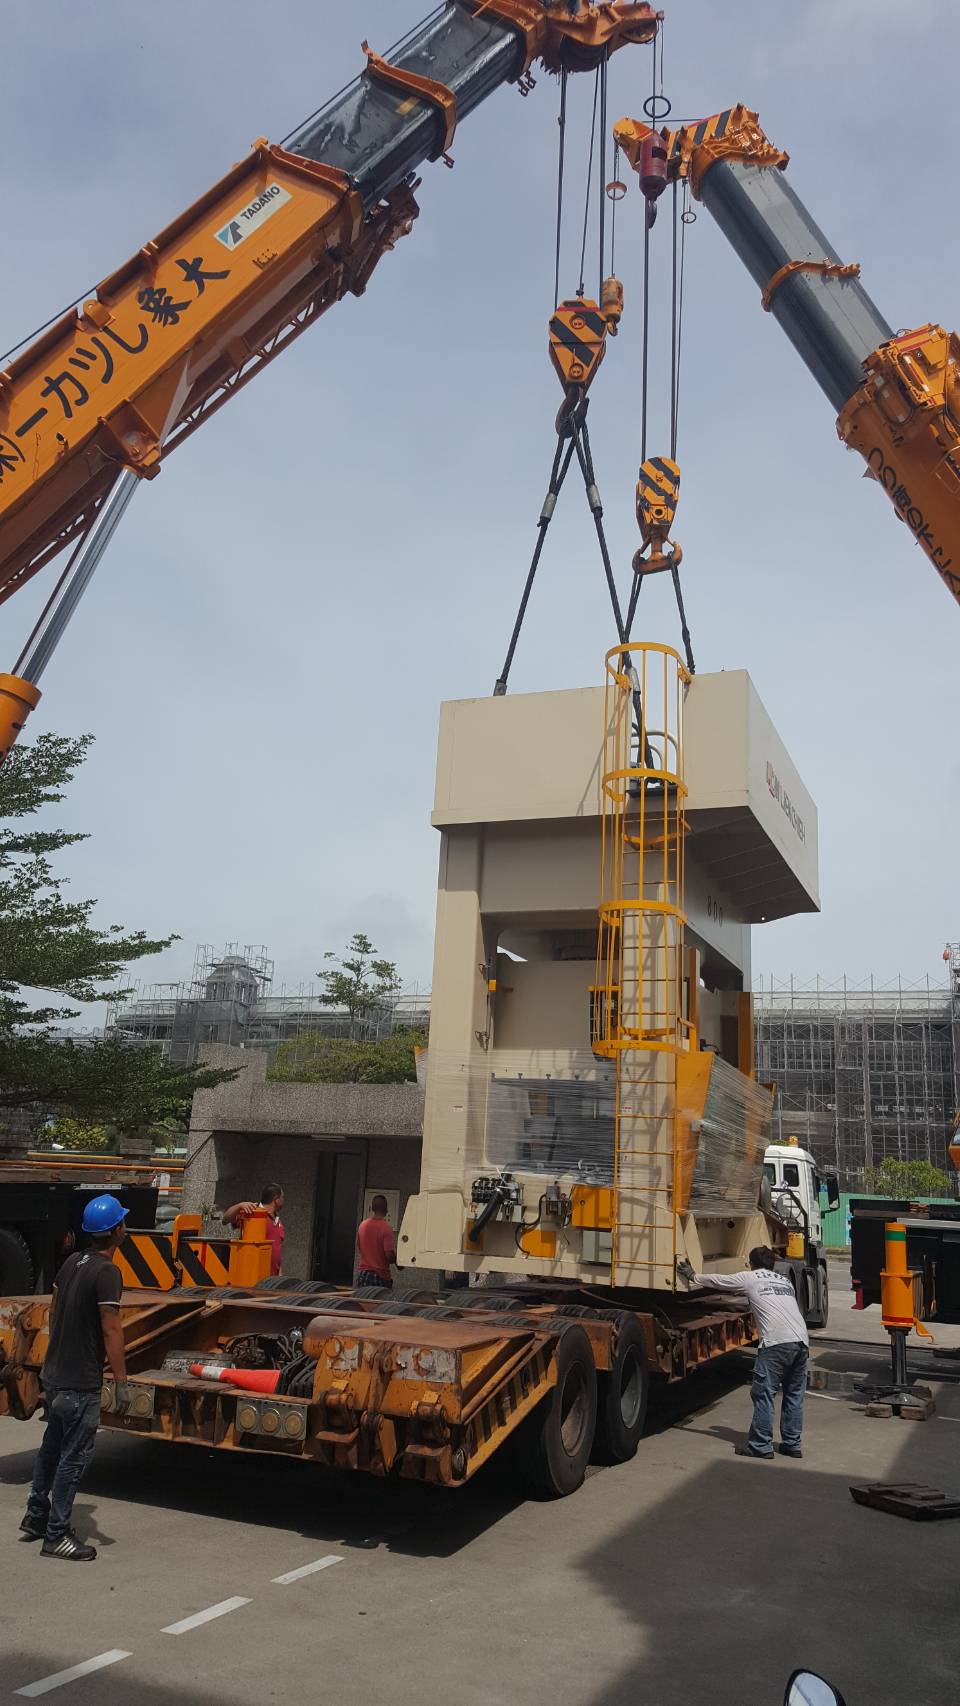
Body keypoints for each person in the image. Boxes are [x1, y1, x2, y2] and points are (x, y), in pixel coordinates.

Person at [20, 1194, 128, 1561]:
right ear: (115, 1231)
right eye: (123, 1223)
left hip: (56, 1373)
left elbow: (53, 1308)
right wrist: (122, 1379)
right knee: (73, 1457)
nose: (125, 1227)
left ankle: (36, 1517)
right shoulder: (107, 1271)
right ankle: (57, 1534)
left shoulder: (70, 1263)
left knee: (51, 1448)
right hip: (81, 1380)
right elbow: (111, 1328)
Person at [677, 1245, 809, 1460]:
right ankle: (792, 1444)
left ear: (752, 1263)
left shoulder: (751, 1278)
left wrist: (693, 1276)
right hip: (801, 1341)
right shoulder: (784, 1281)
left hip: (776, 1342)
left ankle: (760, 1446)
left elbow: (720, 1281)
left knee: (764, 1393)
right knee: (794, 1395)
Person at [222, 1183, 285, 1276]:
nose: (284, 1200)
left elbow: (277, 1251)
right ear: (276, 1199)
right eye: (282, 1197)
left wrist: (280, 1276)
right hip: (254, 1276)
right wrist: (239, 1206)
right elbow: (225, 1219)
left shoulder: (278, 1221)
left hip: (272, 1279)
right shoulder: (253, 1213)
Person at [356, 1195, 398, 1290]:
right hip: (379, 1277)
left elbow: (359, 1246)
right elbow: (389, 1255)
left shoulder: (362, 1225)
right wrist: (397, 1261)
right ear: (386, 1209)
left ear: (372, 1208)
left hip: (363, 1276)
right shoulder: (386, 1228)